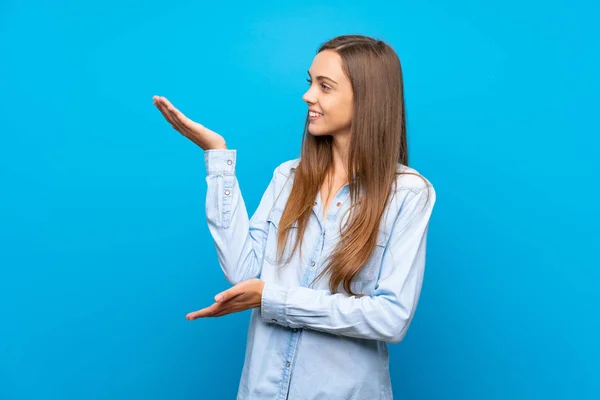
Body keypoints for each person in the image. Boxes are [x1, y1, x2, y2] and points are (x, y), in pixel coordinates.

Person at [153, 34, 436, 400]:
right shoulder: (287, 177)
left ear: (367, 98)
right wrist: (218, 158)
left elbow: (390, 317)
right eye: (310, 82)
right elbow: (243, 273)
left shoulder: (408, 193)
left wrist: (274, 299)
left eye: (325, 86)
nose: (308, 96)